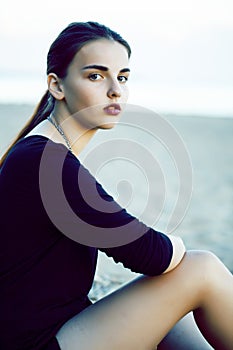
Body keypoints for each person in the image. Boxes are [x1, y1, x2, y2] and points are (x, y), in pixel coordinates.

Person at [0, 21, 232, 350]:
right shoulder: (44, 163)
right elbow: (153, 256)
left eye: (122, 77)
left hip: (63, 324)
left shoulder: (43, 153)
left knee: (171, 301)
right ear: (57, 86)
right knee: (201, 268)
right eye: (95, 75)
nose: (115, 90)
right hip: (37, 342)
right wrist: (177, 248)